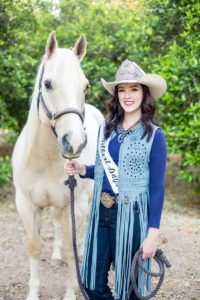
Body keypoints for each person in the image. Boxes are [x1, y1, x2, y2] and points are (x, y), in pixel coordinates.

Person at [64, 59, 167, 300]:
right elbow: (102, 170)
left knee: (130, 288)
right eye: (122, 90)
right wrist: (82, 169)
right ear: (116, 95)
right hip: (102, 213)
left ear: (144, 93)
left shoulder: (154, 136)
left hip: (133, 216)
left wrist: (152, 233)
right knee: (90, 282)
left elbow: (157, 188)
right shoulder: (106, 129)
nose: (127, 95)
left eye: (134, 89)